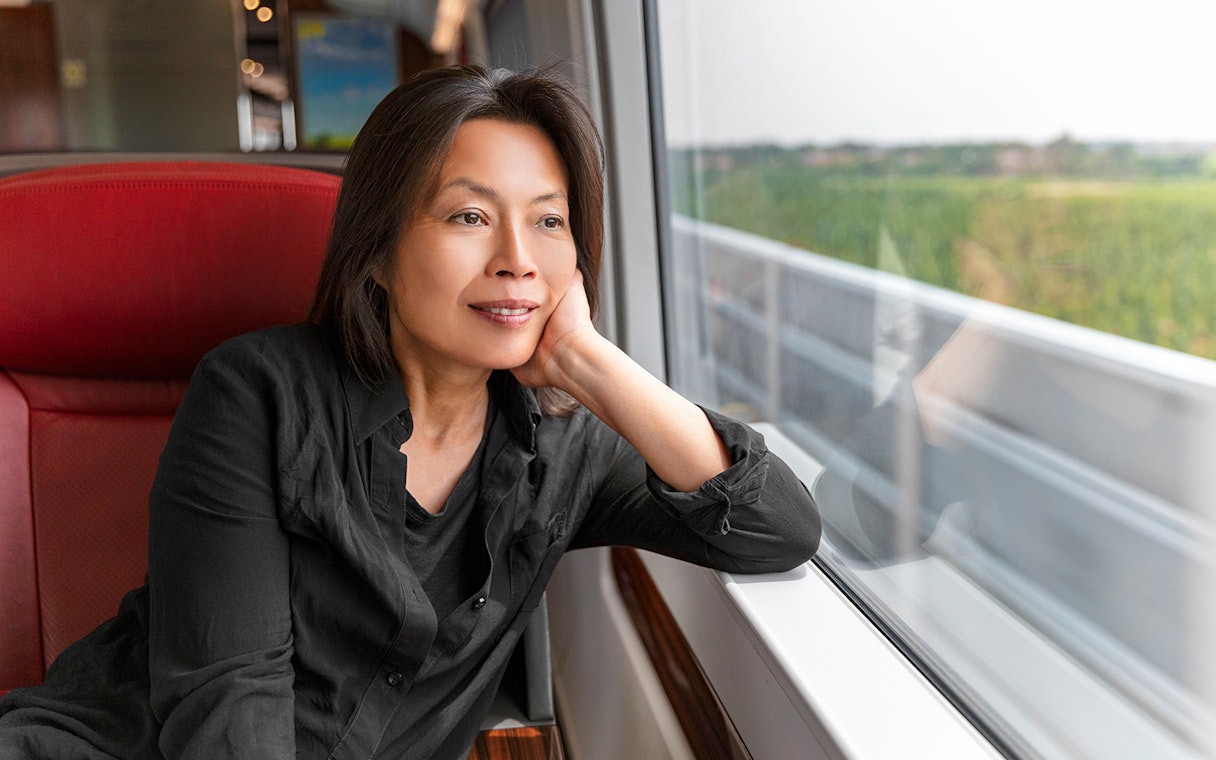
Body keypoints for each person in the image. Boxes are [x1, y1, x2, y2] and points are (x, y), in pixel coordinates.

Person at [0, 64, 820, 760]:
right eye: (469, 216)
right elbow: (230, 711)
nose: (517, 261)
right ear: (381, 249)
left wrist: (586, 359)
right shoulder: (258, 393)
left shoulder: (568, 448)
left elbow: (777, 526)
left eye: (549, 221)